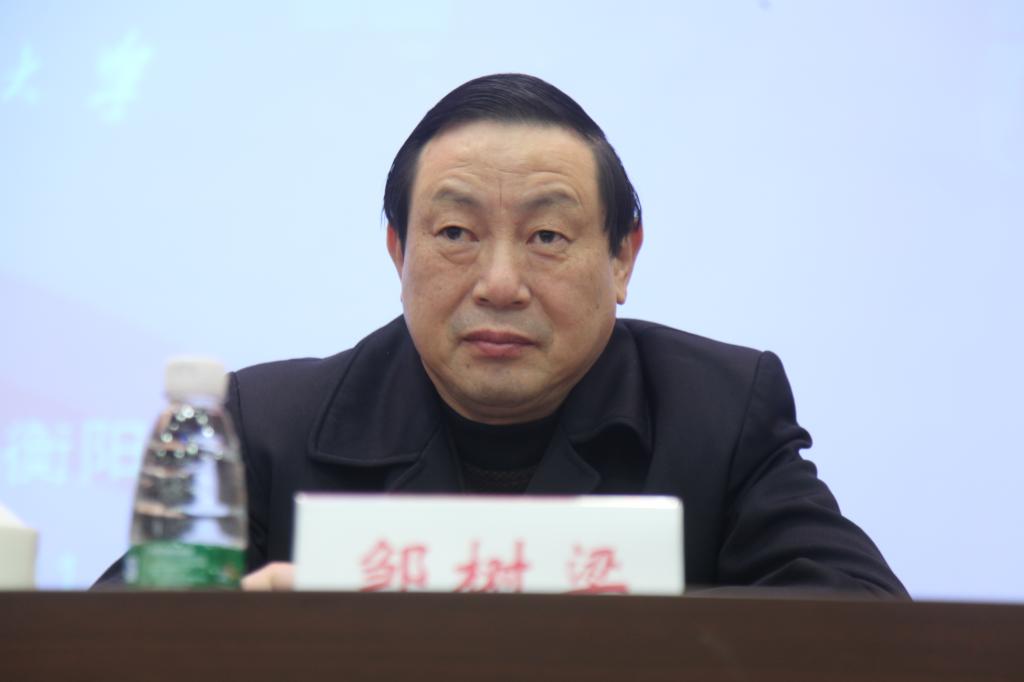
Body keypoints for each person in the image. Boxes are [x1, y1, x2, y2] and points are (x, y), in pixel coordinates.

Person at [102, 73, 907, 596]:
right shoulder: (265, 426)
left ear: (622, 258)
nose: (499, 283)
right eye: (456, 233)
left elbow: (867, 626)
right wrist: (237, 636)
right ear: (398, 252)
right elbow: (110, 642)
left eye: (547, 237)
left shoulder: (720, 414)